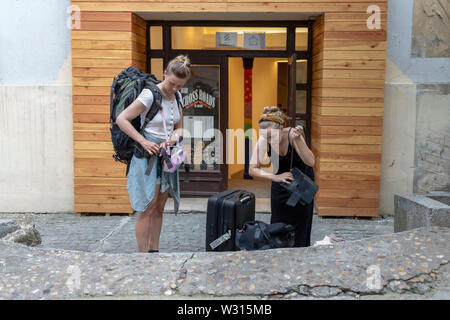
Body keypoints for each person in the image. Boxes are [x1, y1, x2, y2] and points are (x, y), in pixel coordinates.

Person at [116, 55, 191, 253]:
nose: (174, 88)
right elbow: (122, 119)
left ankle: (154, 251)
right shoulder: (150, 95)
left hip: (166, 157)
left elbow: (180, 129)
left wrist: (173, 139)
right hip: (147, 157)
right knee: (147, 208)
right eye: (172, 83)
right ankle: (142, 258)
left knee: (159, 207)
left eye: (179, 86)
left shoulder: (177, 97)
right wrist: (143, 140)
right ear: (165, 73)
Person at [249, 106, 316, 247]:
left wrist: (298, 141)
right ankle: (278, 252)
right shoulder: (264, 140)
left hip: (301, 186)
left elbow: (311, 161)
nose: (269, 141)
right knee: (278, 224)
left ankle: (300, 253)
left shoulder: (292, 135)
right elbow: (252, 169)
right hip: (280, 184)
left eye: (271, 137)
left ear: (281, 128)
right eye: (265, 137)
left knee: (300, 225)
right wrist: (276, 178)